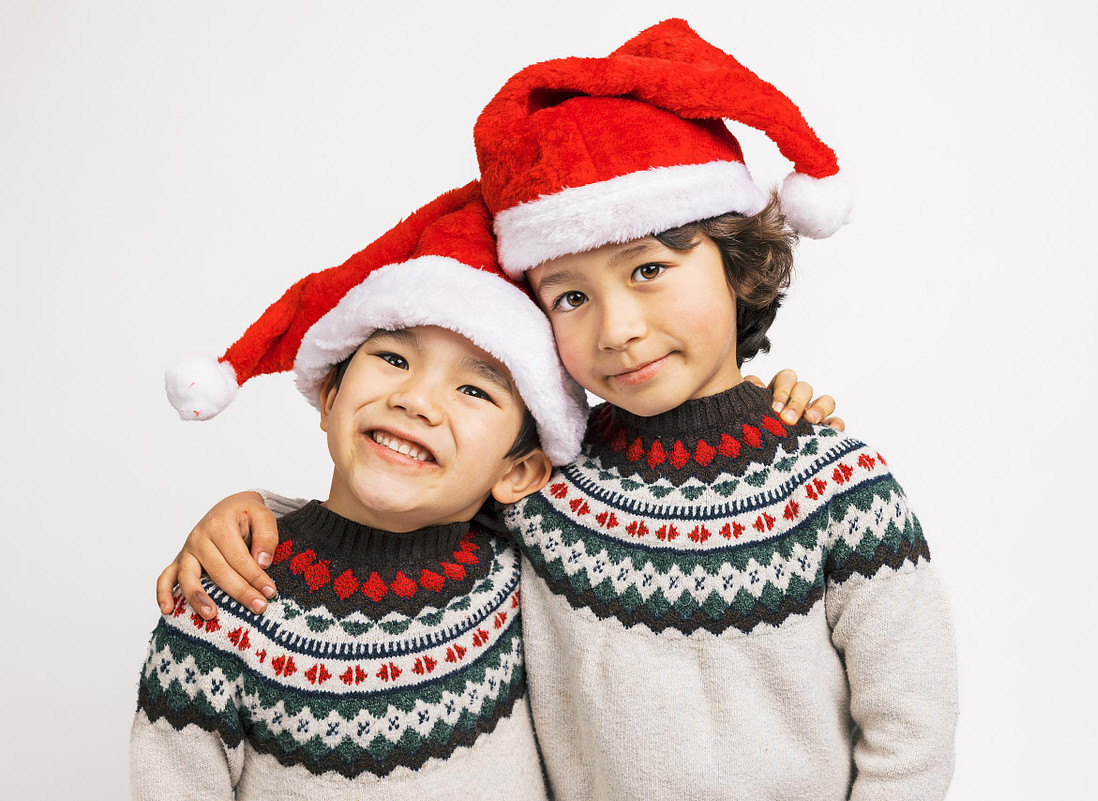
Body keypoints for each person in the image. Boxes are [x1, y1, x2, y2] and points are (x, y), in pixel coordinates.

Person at [158, 18, 957, 801]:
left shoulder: (838, 487)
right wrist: (257, 514)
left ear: (740, 261)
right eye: (571, 296)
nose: (618, 328)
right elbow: (397, 508)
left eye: (648, 269)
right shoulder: (544, 488)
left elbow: (911, 731)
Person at [131, 183, 589, 799]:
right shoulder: (226, 593)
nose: (416, 400)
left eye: (475, 390)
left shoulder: (531, 584)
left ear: (519, 472)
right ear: (329, 397)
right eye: (394, 359)